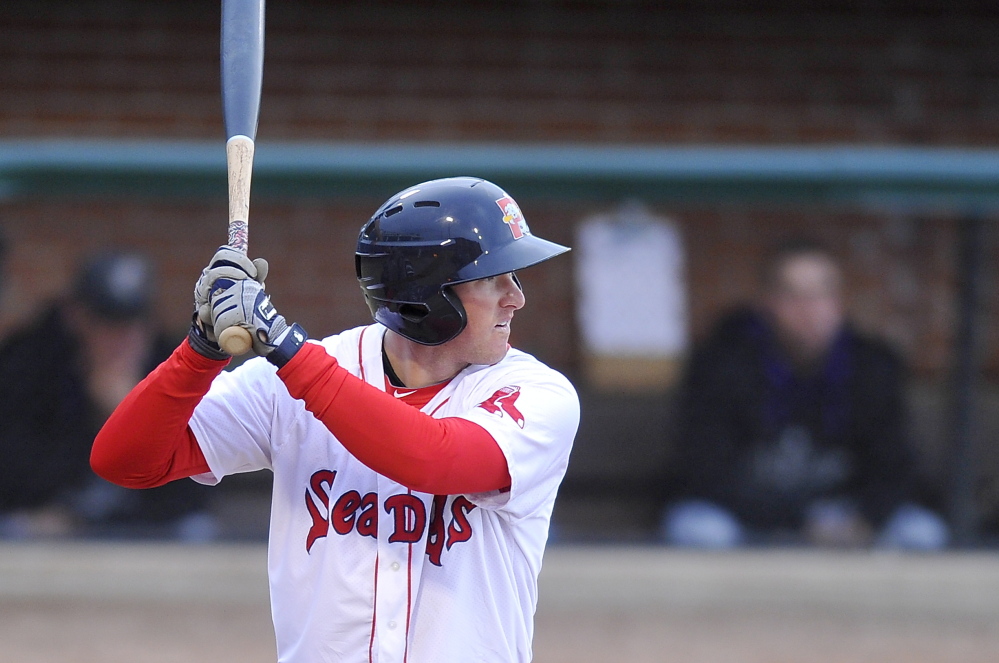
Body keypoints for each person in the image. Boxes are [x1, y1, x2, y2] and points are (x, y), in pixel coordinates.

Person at [91, 177, 580, 662]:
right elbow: (125, 461)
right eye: (493, 279)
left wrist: (287, 350)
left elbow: (438, 458)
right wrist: (199, 349)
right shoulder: (290, 378)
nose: (515, 297)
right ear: (426, 294)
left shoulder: (538, 394)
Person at [662, 237, 949, 550]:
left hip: (845, 516)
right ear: (767, 302)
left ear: (839, 301)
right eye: (792, 295)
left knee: (921, 532)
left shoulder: (871, 365)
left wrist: (864, 518)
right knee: (700, 530)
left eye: (821, 294)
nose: (809, 309)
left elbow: (894, 466)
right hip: (749, 517)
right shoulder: (723, 363)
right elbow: (707, 472)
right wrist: (798, 522)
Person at [0, 250, 217, 540]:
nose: (121, 338)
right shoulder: (33, 362)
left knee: (197, 532)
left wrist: (133, 420)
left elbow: (195, 493)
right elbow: (13, 471)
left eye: (131, 324)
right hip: (48, 526)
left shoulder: (175, 366)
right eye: (107, 323)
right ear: (76, 317)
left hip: (148, 533)